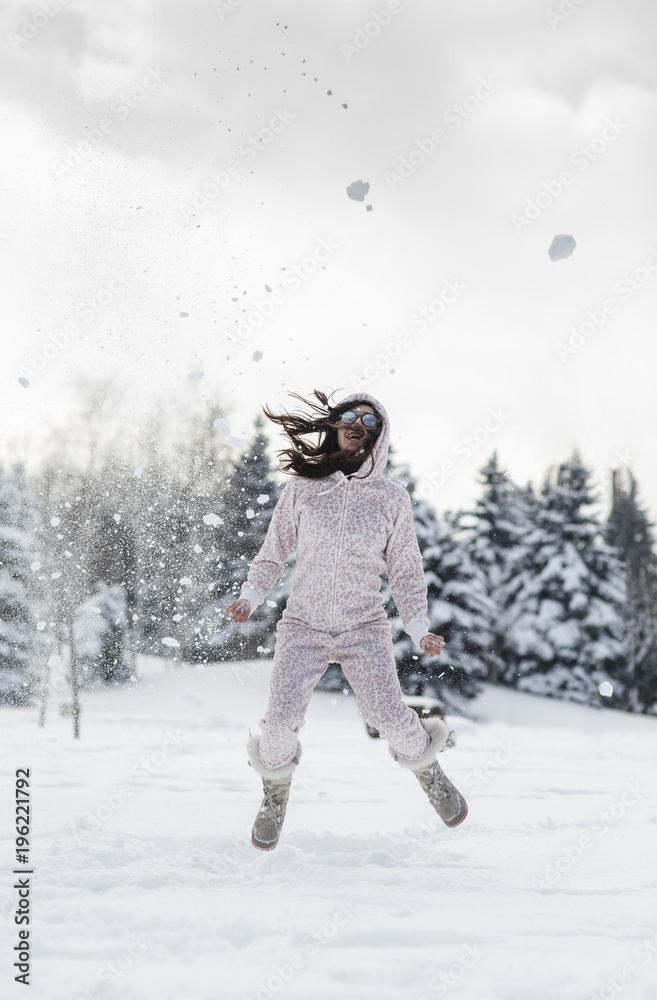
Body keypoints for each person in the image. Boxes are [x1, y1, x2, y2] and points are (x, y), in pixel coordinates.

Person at [225, 389, 468, 851]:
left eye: (372, 421)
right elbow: (273, 553)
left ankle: (429, 771)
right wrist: (251, 596)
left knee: (388, 716)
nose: (360, 424)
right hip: (303, 626)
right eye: (352, 416)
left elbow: (405, 570)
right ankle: (275, 793)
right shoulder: (302, 489)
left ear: (381, 437)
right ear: (335, 425)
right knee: (278, 723)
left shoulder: (391, 499)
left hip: (364, 627)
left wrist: (419, 628)